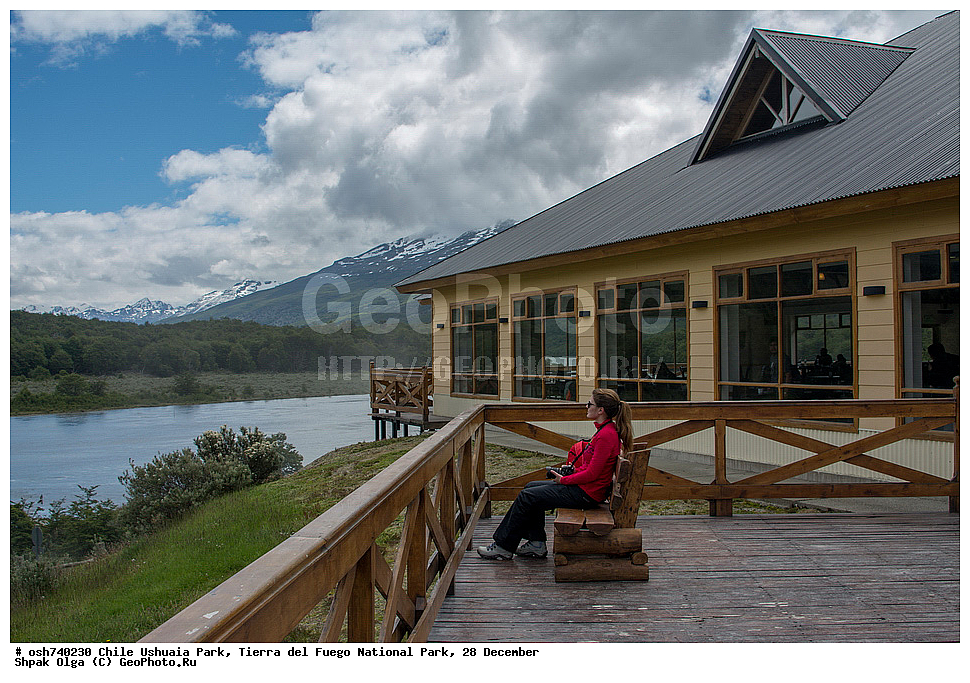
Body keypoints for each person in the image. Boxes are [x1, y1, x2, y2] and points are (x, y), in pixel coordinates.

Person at [477, 388, 634, 560]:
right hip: (588, 489)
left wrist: (565, 480)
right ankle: (536, 543)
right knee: (530, 488)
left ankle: (503, 546)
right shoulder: (605, 430)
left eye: (590, 404)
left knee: (528, 496)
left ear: (600, 410)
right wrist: (573, 471)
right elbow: (591, 468)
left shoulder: (605, 435)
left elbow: (593, 474)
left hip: (587, 494)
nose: (586, 407)